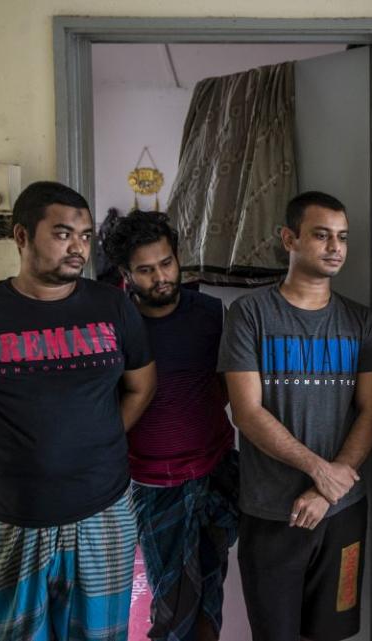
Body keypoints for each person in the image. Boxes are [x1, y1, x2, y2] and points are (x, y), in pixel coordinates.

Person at [0, 181, 156, 641]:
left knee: (101, 633)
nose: (78, 247)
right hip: (10, 516)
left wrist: (101, 439)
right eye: (63, 233)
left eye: (85, 236)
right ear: (22, 236)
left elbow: (141, 387)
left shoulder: (112, 306)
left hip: (103, 512)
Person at [218, 191, 372, 641]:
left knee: (333, 633)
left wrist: (330, 489)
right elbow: (247, 412)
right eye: (322, 236)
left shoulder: (360, 320)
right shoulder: (249, 313)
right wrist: (319, 471)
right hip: (273, 512)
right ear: (289, 239)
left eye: (342, 238)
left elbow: (371, 410)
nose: (335, 247)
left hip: (342, 512)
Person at [103, 210, 239, 641]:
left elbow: (228, 387)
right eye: (145, 270)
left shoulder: (211, 314)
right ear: (126, 274)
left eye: (166, 263)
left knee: (211, 592)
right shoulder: (116, 325)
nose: (160, 277)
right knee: (172, 602)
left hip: (216, 470)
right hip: (154, 482)